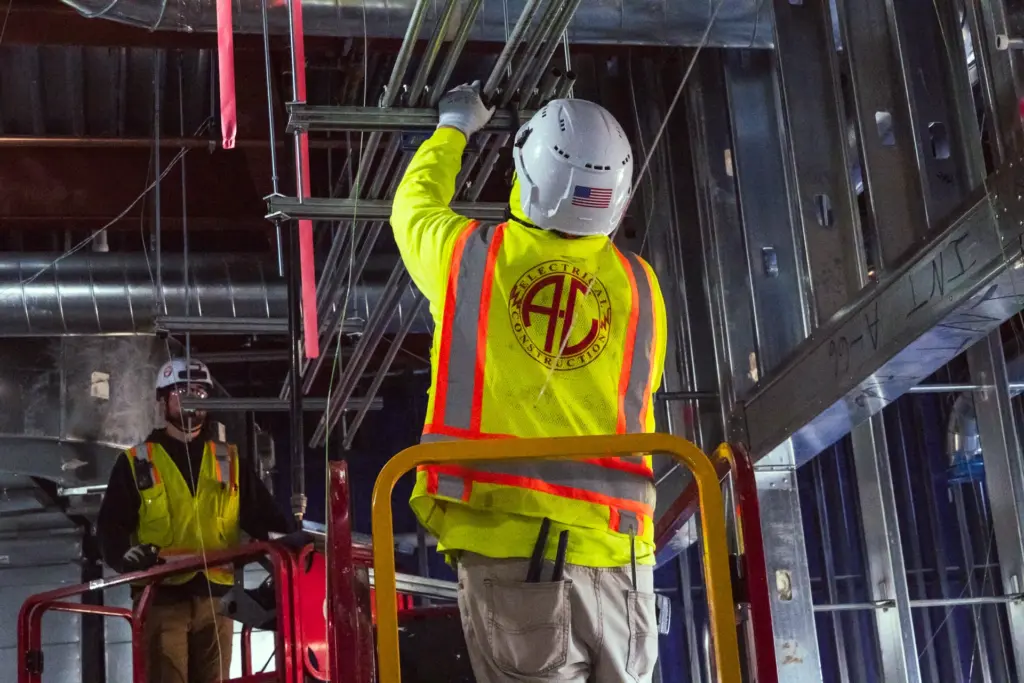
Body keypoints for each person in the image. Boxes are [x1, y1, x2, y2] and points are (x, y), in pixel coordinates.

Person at [391, 82, 668, 683]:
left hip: (512, 545)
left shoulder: (471, 258)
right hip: (623, 559)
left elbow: (411, 208)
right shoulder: (641, 287)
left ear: (528, 175)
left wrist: (454, 127)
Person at [97, 357, 295, 683]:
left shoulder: (229, 460)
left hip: (217, 602)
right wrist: (123, 557)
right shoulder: (137, 462)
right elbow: (110, 527)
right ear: (162, 401)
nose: (193, 400)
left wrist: (289, 555)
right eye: (182, 392)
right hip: (161, 598)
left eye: (200, 393)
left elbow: (267, 521)